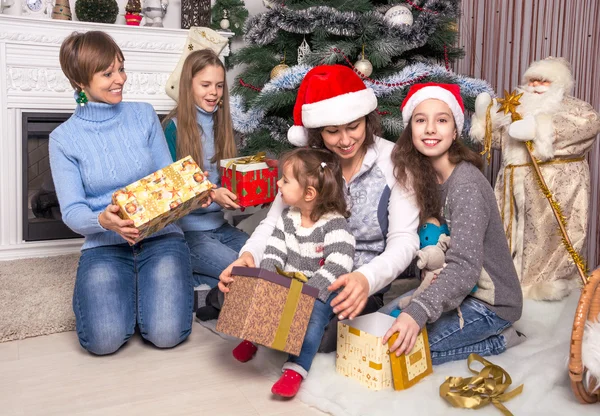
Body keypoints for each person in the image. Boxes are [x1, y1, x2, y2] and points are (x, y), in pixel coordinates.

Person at [218, 65, 420, 349]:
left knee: (318, 336)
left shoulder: (395, 161)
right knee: (240, 297)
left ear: (367, 119)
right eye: (333, 131)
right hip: (298, 272)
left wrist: (367, 279)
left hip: (356, 281)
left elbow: (404, 239)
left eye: (354, 127)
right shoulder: (307, 164)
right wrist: (248, 256)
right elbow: (273, 222)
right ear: (317, 132)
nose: (346, 140)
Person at [49, 31, 195, 355]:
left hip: (160, 238)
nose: (120, 79)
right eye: (108, 73)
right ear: (80, 81)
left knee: (167, 335)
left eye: (121, 68)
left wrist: (196, 189)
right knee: (103, 342)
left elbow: (168, 181)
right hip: (104, 245)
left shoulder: (143, 115)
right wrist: (103, 220)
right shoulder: (63, 139)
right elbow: (72, 211)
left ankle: (145, 293)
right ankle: (132, 292)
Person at [382, 83, 524, 365]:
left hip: (488, 302)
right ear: (411, 130)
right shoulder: (424, 178)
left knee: (401, 354)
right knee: (381, 328)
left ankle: (502, 338)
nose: (431, 129)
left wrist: (419, 310)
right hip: (452, 290)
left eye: (441, 120)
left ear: (455, 130)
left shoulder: (466, 184)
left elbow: (464, 266)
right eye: (421, 120)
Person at [222, 148, 355, 398]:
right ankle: (255, 338)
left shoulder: (335, 224)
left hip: (319, 291)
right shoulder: (288, 217)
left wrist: (306, 293)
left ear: (309, 193)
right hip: (288, 283)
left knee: (312, 321)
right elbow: (274, 250)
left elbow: (338, 265)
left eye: (285, 180)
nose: (278, 183)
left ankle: (296, 368)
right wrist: (270, 280)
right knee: (264, 298)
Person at [470, 57, 600, 300]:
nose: (537, 84)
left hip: (554, 185)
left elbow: (587, 126)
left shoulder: (575, 108)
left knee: (546, 237)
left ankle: (544, 286)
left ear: (559, 83)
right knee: (507, 232)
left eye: (544, 80)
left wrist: (541, 128)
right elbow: (501, 139)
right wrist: (485, 121)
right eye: (532, 80)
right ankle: (508, 284)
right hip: (512, 184)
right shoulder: (517, 107)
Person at [162, 49, 249, 293]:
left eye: (219, 86)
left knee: (261, 260)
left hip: (220, 227)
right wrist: (212, 192)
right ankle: (195, 278)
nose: (213, 92)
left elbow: (230, 180)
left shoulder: (225, 126)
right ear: (188, 86)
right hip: (187, 234)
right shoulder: (172, 128)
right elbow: (169, 192)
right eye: (205, 85)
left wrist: (244, 193)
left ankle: (201, 283)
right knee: (242, 274)